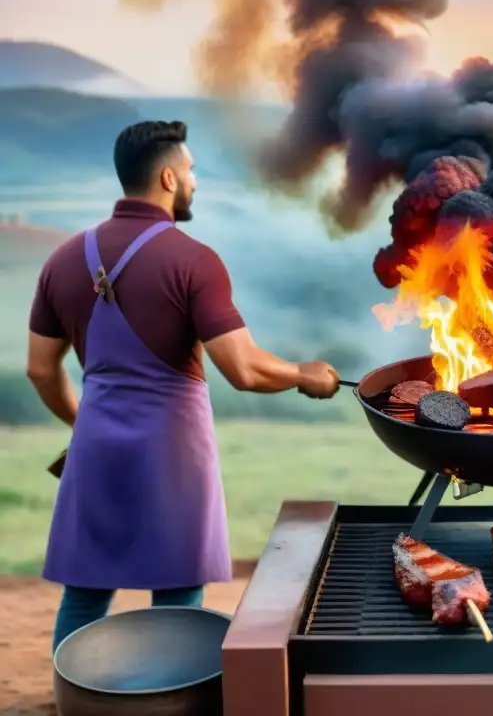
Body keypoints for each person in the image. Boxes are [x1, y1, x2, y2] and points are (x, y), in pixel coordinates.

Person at [26, 120, 341, 653]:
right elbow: (243, 369)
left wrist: (84, 423)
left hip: (95, 448)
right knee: (176, 598)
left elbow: (40, 368)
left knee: (83, 596)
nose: (195, 182)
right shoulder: (194, 260)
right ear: (168, 178)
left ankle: (75, 703)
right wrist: (304, 375)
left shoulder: (63, 259)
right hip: (173, 453)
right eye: (191, 172)